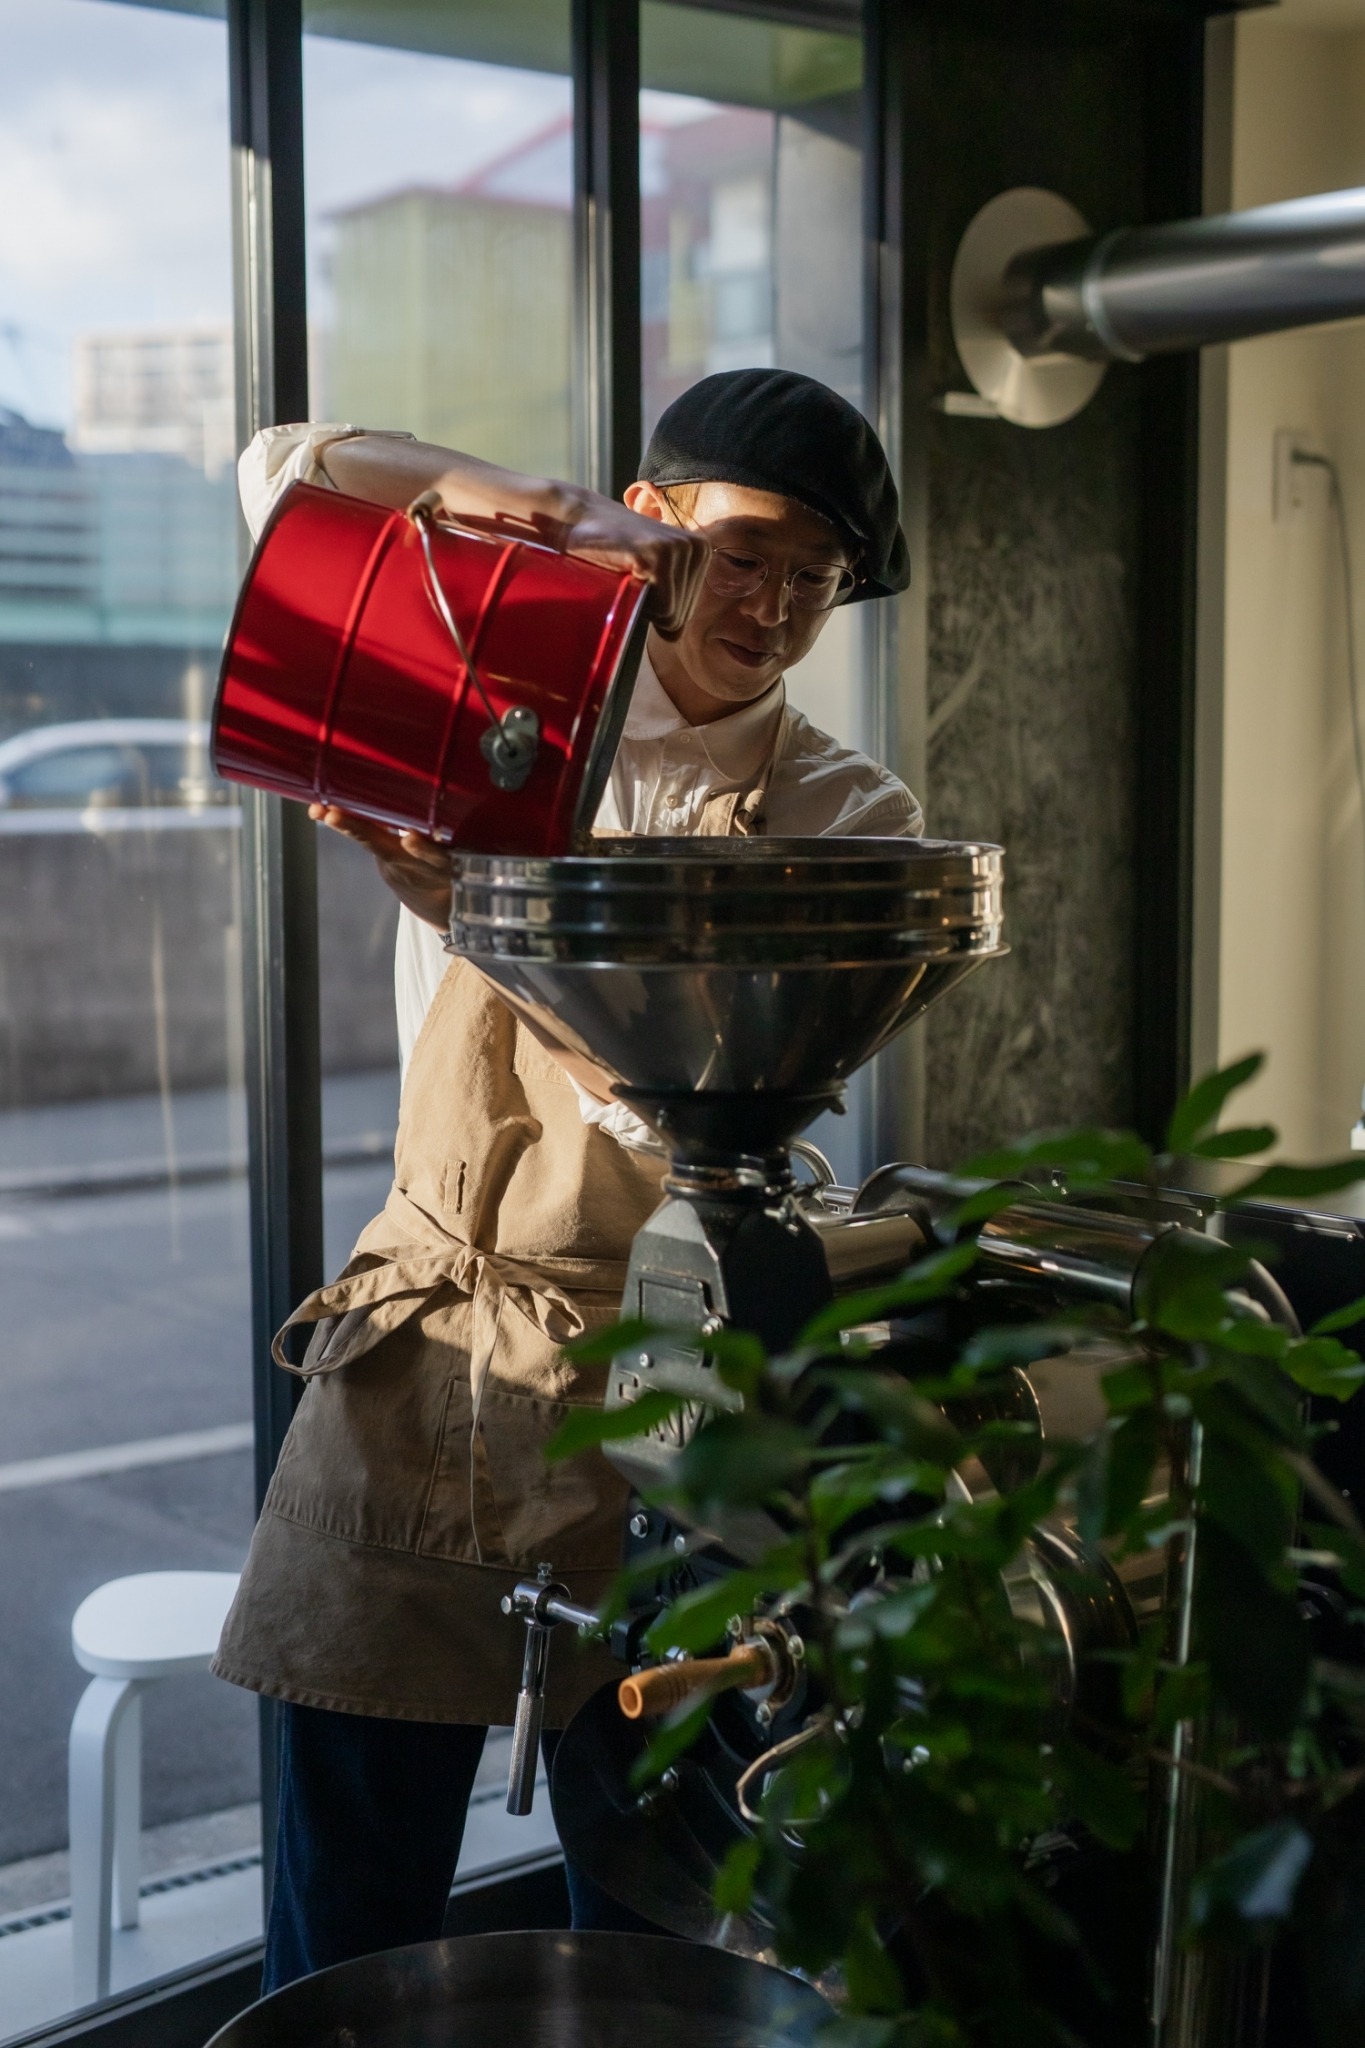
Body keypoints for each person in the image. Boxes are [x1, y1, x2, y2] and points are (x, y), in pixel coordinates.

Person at [212, 368, 923, 1990]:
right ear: (654, 523)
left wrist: (489, 921)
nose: (773, 609)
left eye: (815, 579)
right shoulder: (495, 687)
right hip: (429, 1345)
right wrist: (532, 509)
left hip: (671, 1373)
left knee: (659, 1899)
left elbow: (712, 1129)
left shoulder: (845, 815)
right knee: (348, 1884)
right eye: (743, 555)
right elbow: (279, 473)